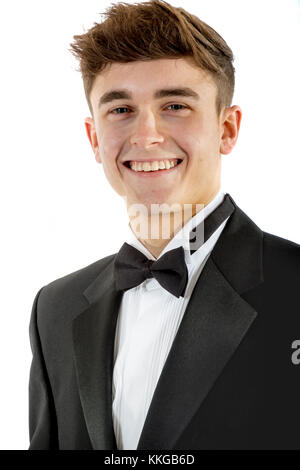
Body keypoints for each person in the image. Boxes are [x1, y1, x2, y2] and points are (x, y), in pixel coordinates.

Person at [28, 0, 300, 450]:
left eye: (174, 105)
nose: (147, 134)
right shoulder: (53, 310)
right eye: (121, 110)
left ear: (227, 129)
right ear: (95, 138)